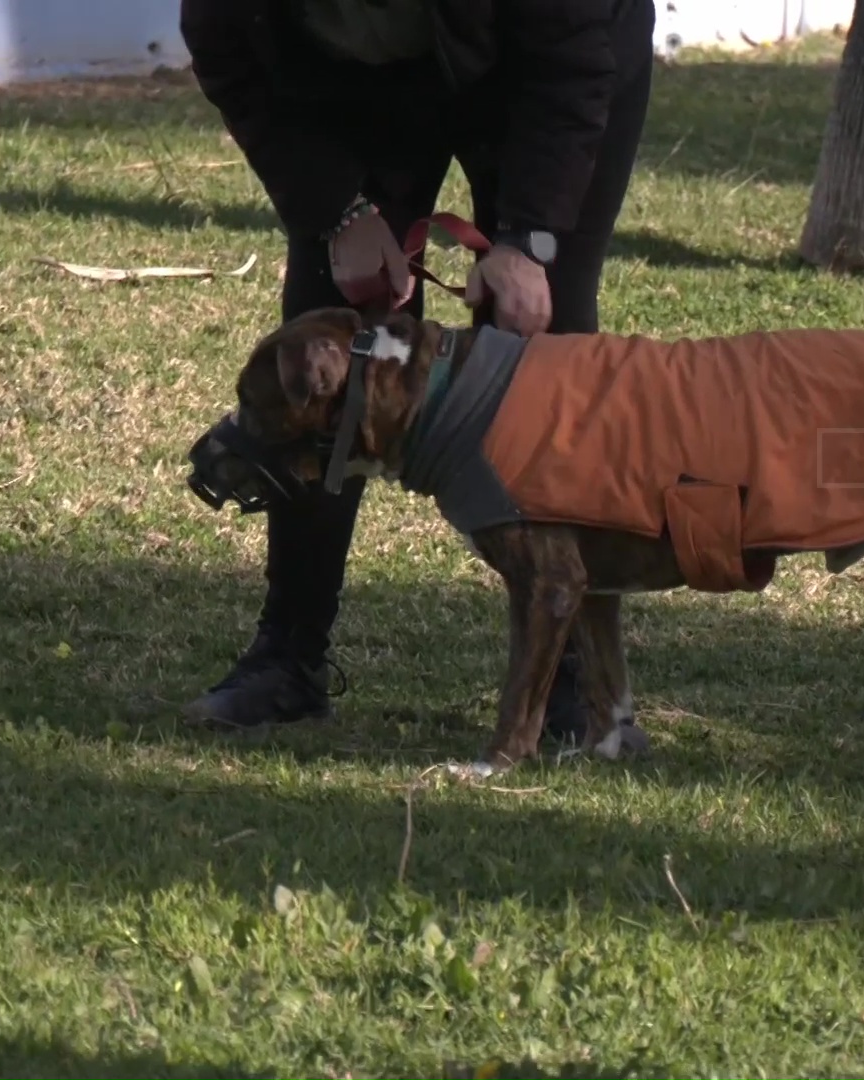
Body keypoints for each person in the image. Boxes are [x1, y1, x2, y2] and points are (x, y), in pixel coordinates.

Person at [176, 0, 657, 740]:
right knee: (327, 334)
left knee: (542, 341)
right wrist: (336, 208)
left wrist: (528, 239)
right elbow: (228, 54)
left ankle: (566, 682)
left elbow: (571, 63)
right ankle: (288, 657)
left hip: (551, 62)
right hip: (368, 91)